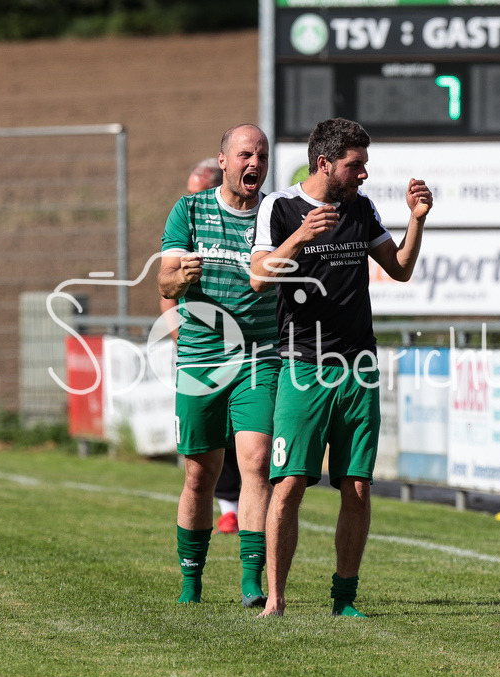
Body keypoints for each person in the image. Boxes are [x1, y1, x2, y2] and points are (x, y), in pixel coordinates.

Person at [250, 117, 432, 618]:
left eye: (365, 164)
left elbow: (400, 268)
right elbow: (259, 278)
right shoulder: (280, 207)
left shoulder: (361, 207)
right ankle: (275, 600)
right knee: (289, 485)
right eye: (356, 165)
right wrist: (300, 237)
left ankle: (344, 599)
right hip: (303, 367)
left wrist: (417, 219)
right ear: (325, 163)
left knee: (357, 487)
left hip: (359, 366)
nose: (364, 174)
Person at [158, 124, 279, 607]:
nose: (255, 164)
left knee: (257, 463)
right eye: (246, 155)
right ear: (224, 160)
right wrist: (179, 278)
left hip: (260, 355)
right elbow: (165, 284)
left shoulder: (275, 213)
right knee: (199, 474)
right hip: (203, 355)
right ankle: (191, 582)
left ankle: (252, 581)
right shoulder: (188, 210)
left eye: (262, 156)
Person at [164, 157, 244, 535]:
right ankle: (228, 507)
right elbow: (167, 291)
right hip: (201, 352)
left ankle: (245, 516)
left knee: (250, 441)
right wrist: (181, 340)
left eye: (198, 192)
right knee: (206, 449)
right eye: (189, 192)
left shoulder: (252, 220)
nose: (192, 199)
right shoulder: (187, 219)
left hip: (250, 352)